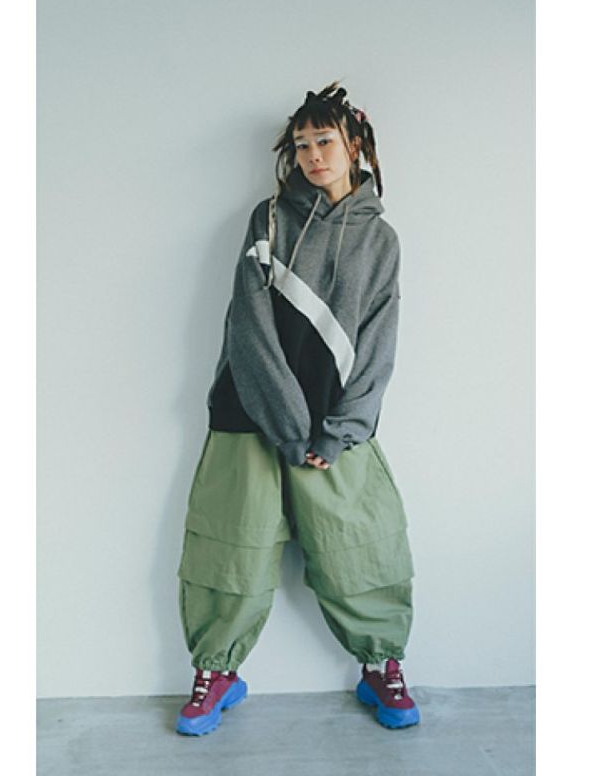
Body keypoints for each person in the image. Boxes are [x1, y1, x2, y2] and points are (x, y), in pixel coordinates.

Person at [175, 80, 419, 736]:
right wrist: (286, 426)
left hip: (335, 426)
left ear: (355, 144)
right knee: (232, 548)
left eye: (325, 141)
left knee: (359, 549)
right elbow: (248, 328)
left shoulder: (380, 240)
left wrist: (339, 431)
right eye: (303, 144)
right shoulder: (270, 220)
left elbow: (380, 343)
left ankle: (381, 666)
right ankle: (217, 672)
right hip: (250, 413)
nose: (313, 155)